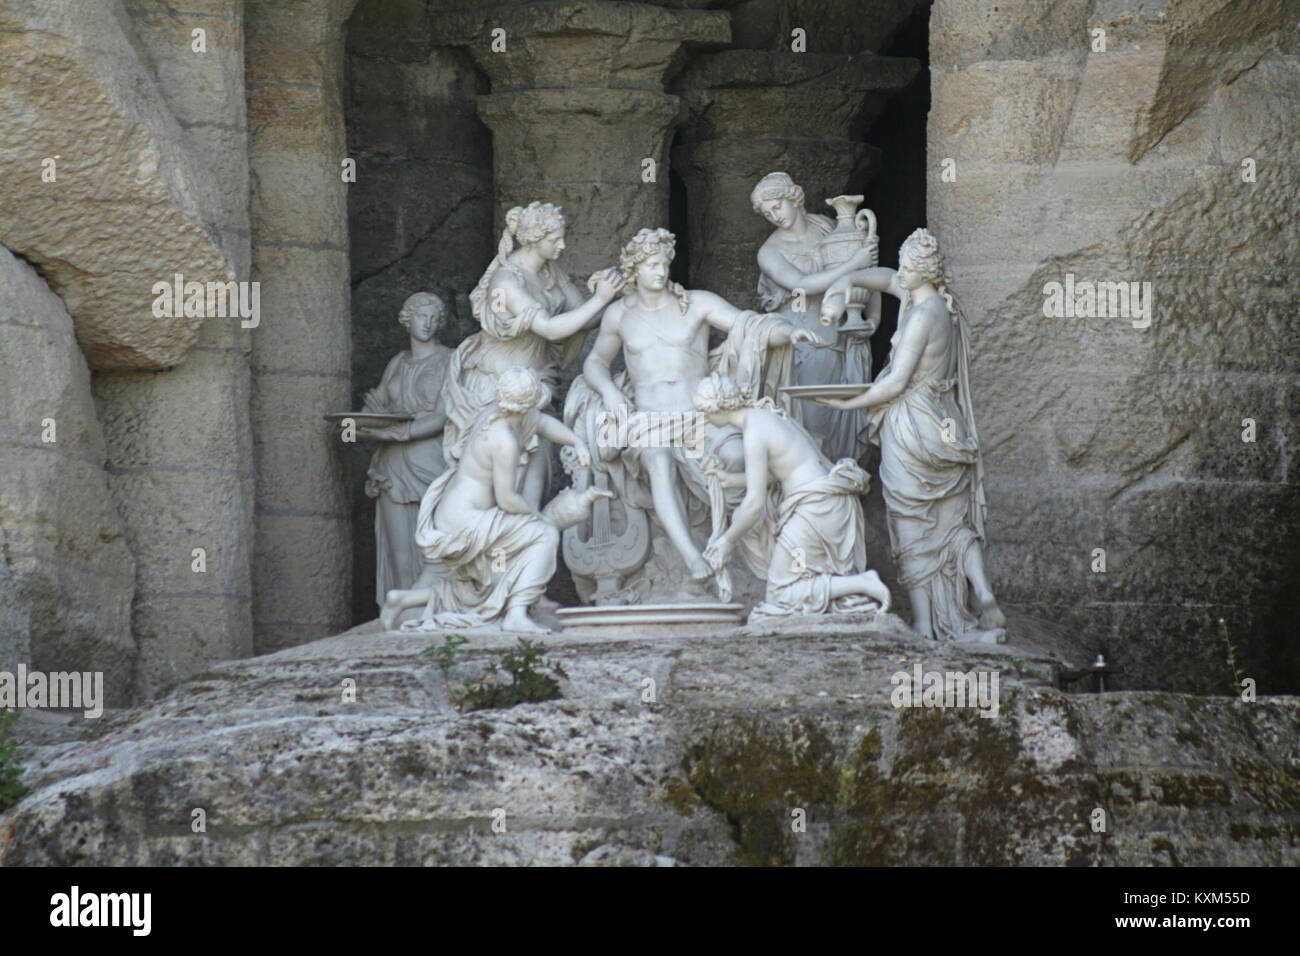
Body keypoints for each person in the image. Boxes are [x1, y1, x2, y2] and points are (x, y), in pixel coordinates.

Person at [578, 227, 821, 582]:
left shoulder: (697, 304)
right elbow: (595, 363)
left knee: (739, 456)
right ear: (634, 268)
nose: (660, 271)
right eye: (650, 264)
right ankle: (694, 559)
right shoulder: (619, 315)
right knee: (657, 460)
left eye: (664, 263)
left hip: (702, 416)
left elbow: (748, 327)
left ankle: (757, 548)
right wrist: (611, 393)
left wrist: (787, 332)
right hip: (649, 419)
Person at [819, 228, 1006, 642]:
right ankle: (983, 591)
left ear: (923, 273)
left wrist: (849, 403)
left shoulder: (921, 316)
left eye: (907, 267)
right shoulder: (938, 305)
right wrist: (847, 279)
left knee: (910, 523)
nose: (900, 272)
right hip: (945, 422)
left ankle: (924, 625)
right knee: (954, 523)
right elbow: (886, 279)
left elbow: (897, 381)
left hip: (912, 424)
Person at [379, 367, 591, 633]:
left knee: (493, 576)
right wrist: (538, 517)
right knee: (544, 535)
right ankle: (515, 614)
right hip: (464, 520)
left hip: (457, 511)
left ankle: (403, 599)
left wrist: (576, 442)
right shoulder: (504, 440)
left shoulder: (496, 412)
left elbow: (543, 423)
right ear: (530, 402)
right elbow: (507, 500)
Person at [442, 202, 623, 506]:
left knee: (536, 477)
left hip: (536, 386)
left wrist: (610, 292)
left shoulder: (550, 271)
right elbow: (550, 329)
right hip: (499, 386)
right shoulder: (507, 280)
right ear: (532, 239)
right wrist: (601, 299)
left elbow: (583, 319)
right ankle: (501, 546)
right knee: (503, 481)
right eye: (555, 240)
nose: (563, 246)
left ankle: (528, 541)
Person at [694, 372, 890, 623]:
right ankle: (853, 586)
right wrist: (729, 479)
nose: (706, 419)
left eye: (706, 412)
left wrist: (727, 541)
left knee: (780, 595)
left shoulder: (754, 430)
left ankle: (862, 583)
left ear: (719, 408)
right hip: (826, 503)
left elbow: (754, 504)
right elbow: (782, 472)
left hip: (816, 508)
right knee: (790, 586)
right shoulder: (766, 416)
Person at [751, 172, 877, 459]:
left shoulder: (825, 227)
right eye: (768, 213)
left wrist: (874, 318)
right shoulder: (769, 252)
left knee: (840, 414)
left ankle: (840, 483)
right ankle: (815, 490)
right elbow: (802, 285)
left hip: (840, 335)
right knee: (811, 417)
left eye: (778, 206)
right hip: (802, 340)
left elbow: (866, 274)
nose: (775, 216)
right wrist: (854, 263)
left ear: (794, 198)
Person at [358, 292, 453, 607]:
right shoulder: (397, 363)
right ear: (406, 320)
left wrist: (402, 432)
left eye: (433, 318)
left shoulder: (449, 359)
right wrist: (373, 410)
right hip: (392, 466)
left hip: (430, 462)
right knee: (400, 552)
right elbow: (380, 402)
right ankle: (402, 615)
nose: (427, 324)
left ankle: (437, 613)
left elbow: (443, 414)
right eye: (420, 316)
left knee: (436, 548)